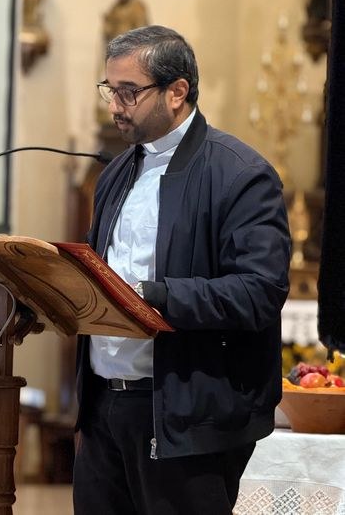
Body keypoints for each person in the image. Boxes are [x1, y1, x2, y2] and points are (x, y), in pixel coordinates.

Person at [73, 25, 291, 515]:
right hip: (104, 407)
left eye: (129, 92)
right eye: (110, 90)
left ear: (177, 92)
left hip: (186, 414)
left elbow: (258, 291)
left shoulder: (240, 174)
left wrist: (153, 296)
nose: (114, 106)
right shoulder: (116, 173)